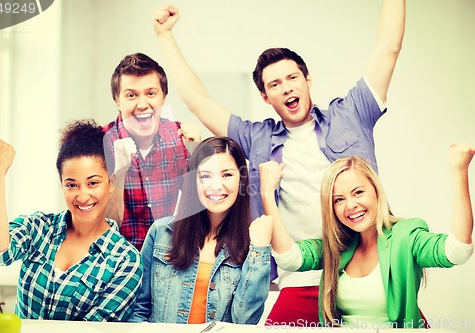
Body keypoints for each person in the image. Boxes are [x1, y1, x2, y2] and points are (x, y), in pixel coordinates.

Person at [151, 0, 406, 325]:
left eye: (292, 78)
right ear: (264, 97)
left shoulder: (352, 115)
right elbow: (198, 101)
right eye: (274, 84)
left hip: (365, 268)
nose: (286, 88)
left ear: (307, 79)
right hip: (301, 275)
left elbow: (389, 47)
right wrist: (163, 35)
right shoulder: (256, 139)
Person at [259, 142, 474, 328]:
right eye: (338, 200)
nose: (351, 205)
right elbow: (289, 257)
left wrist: (459, 173)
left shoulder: (406, 236)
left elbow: (457, 251)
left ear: (376, 191)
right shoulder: (336, 247)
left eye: (358, 192)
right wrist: (267, 194)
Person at [0, 120, 143, 321]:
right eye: (72, 185)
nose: (83, 196)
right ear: (62, 185)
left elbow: (95, 328)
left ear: (111, 182)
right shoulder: (39, 228)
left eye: (93, 183)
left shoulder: (125, 261)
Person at [129, 136, 273, 324]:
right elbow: (138, 311)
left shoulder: (253, 244)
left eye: (227, 175)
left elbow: (245, 323)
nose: (216, 186)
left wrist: (259, 250)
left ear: (241, 179)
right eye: (205, 176)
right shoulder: (161, 233)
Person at [103, 52, 201, 251]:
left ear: (163, 97)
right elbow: (103, 225)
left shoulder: (181, 137)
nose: (142, 104)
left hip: (166, 259)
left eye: (151, 93)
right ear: (117, 100)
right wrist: (119, 174)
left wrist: (197, 156)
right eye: (131, 95)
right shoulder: (99, 142)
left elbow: (198, 211)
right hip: (117, 262)